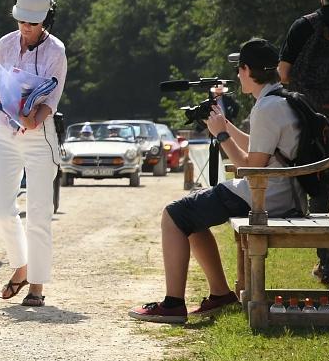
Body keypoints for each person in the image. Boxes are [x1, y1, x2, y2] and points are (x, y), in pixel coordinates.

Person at [129, 38, 301, 324]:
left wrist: (221, 136)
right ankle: (220, 294)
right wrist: (224, 124)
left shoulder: (267, 108)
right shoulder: (280, 100)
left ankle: (172, 304)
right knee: (191, 215)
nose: (237, 75)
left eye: (239, 69)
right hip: (279, 192)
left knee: (174, 214)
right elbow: (262, 149)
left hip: (263, 196)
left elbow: (251, 167)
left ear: (246, 70)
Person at [0, 0, 67, 308]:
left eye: (33, 22)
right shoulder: (5, 44)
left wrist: (33, 115)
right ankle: (20, 266)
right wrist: (8, 103)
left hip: (39, 135)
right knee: (0, 206)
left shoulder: (56, 51)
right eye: (22, 21)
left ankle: (36, 285)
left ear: (46, 19)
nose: (26, 28)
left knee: (39, 213)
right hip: (6, 130)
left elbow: (51, 101)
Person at [277, 0, 329, 284]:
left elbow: (284, 74)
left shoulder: (303, 27)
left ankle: (327, 265)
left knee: (320, 190)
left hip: (314, 124)